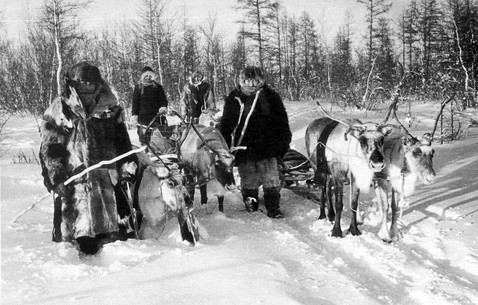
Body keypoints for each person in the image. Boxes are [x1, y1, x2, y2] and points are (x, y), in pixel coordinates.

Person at [39, 62, 138, 254]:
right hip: (75, 175)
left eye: (90, 83)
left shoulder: (109, 106)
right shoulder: (61, 107)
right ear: (73, 83)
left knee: (115, 235)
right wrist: (56, 174)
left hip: (107, 174)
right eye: (82, 82)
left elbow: (121, 138)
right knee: (79, 231)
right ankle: (79, 244)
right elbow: (50, 144)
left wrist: (127, 162)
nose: (87, 86)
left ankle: (111, 238)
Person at [219, 66, 292, 218]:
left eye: (256, 81)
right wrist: (225, 147)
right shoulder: (234, 98)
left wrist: (283, 144)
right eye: (247, 81)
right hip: (244, 148)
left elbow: (282, 122)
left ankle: (273, 208)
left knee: (271, 179)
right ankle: (251, 205)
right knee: (249, 179)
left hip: (268, 146)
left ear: (261, 80)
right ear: (241, 80)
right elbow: (226, 125)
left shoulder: (271, 96)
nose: (252, 85)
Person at [130, 66, 168, 147]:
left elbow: (163, 100)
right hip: (143, 118)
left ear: (153, 76)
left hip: (156, 116)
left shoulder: (158, 87)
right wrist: (134, 115)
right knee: (143, 136)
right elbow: (135, 103)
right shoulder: (138, 87)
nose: (148, 77)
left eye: (150, 75)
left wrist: (163, 107)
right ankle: (146, 151)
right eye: (146, 76)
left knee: (159, 135)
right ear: (143, 76)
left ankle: (158, 151)